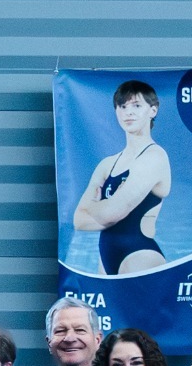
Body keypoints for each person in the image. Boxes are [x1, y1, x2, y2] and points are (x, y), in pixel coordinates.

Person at [73, 80, 170, 275]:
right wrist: (108, 211)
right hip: (106, 255)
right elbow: (79, 220)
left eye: (136, 106)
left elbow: (111, 213)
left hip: (140, 254)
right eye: (122, 106)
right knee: (104, 307)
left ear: (153, 110)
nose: (128, 112)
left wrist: (94, 205)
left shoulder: (154, 157)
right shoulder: (107, 164)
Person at [45, 298, 101, 366]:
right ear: (49, 342)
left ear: (97, 340)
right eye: (60, 331)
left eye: (80, 330)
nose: (70, 338)